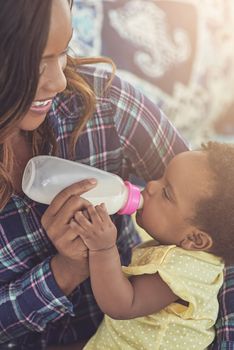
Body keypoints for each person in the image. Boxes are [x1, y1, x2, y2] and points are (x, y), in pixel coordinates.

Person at [0, 1, 187, 349]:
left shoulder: (105, 104)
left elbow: (217, 217)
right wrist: (63, 273)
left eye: (63, 51)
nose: (58, 81)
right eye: (37, 63)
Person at [73, 141, 234, 350]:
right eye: (161, 177)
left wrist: (103, 249)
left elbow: (121, 305)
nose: (150, 186)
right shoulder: (197, 259)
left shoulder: (183, 270)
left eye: (166, 193)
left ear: (195, 239)